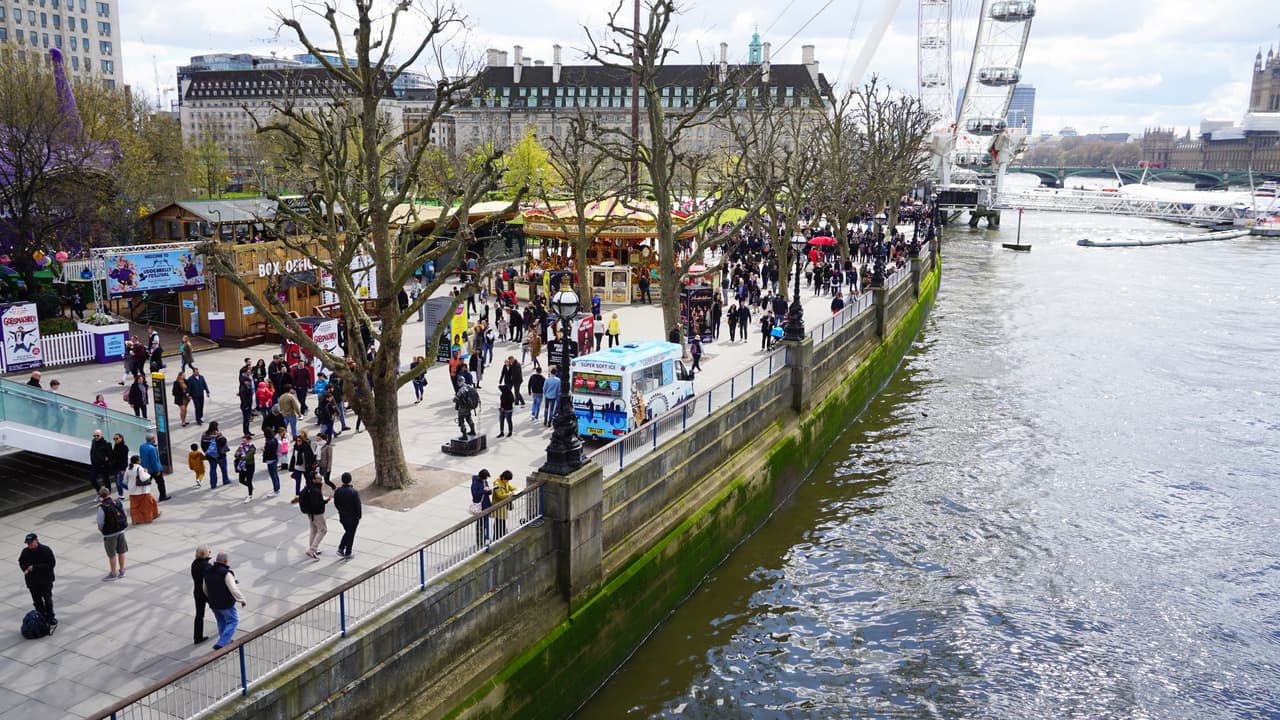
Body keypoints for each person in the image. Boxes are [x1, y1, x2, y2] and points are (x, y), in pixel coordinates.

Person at [204, 551, 247, 650]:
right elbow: (233, 589)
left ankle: (225, 640)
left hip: (213, 603)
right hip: (225, 603)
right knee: (233, 620)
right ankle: (222, 643)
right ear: (225, 561)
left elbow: (205, 587)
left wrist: (209, 598)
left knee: (221, 621)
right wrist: (241, 599)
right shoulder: (226, 574)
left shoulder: (208, 571)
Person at [19, 533, 56, 632]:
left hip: (45, 580)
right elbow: (21, 561)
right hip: (32, 582)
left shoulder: (45, 550)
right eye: (28, 543)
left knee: (47, 600)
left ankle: (50, 617)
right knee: (37, 601)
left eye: (31, 542)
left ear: (37, 540)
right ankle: (41, 618)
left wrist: (35, 567)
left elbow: (51, 563)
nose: (29, 545)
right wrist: (25, 569)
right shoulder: (25, 552)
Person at [96, 487, 128, 580]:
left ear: (100, 496)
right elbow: (124, 514)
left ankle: (113, 574)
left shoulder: (101, 507)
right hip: (121, 531)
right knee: (121, 551)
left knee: (112, 554)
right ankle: (122, 571)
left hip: (109, 534)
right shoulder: (118, 502)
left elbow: (100, 523)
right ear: (109, 493)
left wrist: (101, 530)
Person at [299, 474, 329, 559]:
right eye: (319, 478)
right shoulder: (314, 491)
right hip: (317, 514)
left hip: (310, 513)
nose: (321, 480)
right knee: (323, 530)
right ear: (313, 480)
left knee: (314, 530)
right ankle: (312, 549)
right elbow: (317, 503)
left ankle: (312, 549)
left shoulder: (309, 487)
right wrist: (324, 502)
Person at [333, 472, 361, 558]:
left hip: (343, 515)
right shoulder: (353, 492)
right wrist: (359, 516)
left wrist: (340, 510)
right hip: (352, 517)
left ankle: (342, 548)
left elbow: (336, 503)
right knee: (350, 533)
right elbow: (357, 505)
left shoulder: (338, 491)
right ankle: (346, 551)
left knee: (348, 532)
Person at [124, 454, 160, 523]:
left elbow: (125, 480)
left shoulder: (128, 468)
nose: (140, 460)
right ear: (137, 461)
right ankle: (149, 517)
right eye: (139, 459)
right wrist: (146, 473)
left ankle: (136, 520)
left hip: (132, 491)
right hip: (142, 491)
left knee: (135, 507)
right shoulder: (139, 468)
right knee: (148, 504)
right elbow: (143, 479)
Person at [191, 546, 212, 644]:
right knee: (218, 610)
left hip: (197, 592)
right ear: (205, 554)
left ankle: (197, 637)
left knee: (199, 615)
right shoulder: (206, 565)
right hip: (206, 593)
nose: (210, 552)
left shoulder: (194, 564)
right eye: (209, 552)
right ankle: (225, 629)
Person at [140, 432, 169, 502]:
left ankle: (144, 498)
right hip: (154, 470)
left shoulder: (142, 446)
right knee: (160, 483)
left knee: (146, 485)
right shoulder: (152, 448)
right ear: (152, 439)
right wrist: (158, 470)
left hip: (146, 469)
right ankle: (162, 496)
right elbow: (154, 460)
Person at [289, 431, 317, 499]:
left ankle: (310, 493)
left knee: (308, 481)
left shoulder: (306, 448)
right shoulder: (295, 448)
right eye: (297, 441)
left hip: (305, 468)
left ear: (302, 441)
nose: (298, 442)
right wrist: (291, 467)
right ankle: (297, 495)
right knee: (297, 482)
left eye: (299, 441)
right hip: (297, 468)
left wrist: (312, 466)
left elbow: (311, 457)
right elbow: (293, 457)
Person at [491, 470, 517, 540]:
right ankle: (497, 537)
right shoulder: (497, 484)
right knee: (498, 521)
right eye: (507, 480)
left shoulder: (506, 482)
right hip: (498, 506)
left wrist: (515, 490)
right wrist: (510, 494)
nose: (507, 481)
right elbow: (500, 496)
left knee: (502, 521)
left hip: (503, 506)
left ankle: (501, 535)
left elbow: (511, 487)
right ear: (503, 478)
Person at [202, 422, 228, 489]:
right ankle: (225, 480)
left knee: (213, 470)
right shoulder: (218, 435)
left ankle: (213, 484)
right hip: (220, 455)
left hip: (211, 456)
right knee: (224, 469)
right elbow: (223, 442)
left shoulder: (204, 435)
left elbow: (202, 445)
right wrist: (220, 435)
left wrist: (207, 452)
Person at [470, 469, 492, 547]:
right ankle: (480, 541)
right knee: (480, 525)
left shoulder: (485, 481)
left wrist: (489, 490)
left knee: (486, 523)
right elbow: (475, 495)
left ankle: (486, 538)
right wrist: (483, 490)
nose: (486, 480)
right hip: (480, 506)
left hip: (486, 505)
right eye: (485, 478)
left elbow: (488, 492)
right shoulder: (475, 483)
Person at [89, 429, 113, 497]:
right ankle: (100, 492)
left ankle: (108, 495)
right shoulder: (93, 441)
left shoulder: (107, 444)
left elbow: (110, 455)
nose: (96, 437)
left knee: (106, 481)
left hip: (103, 465)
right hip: (95, 464)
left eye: (97, 435)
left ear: (101, 435)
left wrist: (106, 459)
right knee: (92, 479)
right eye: (94, 435)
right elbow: (92, 451)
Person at [262, 427, 284, 498]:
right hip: (275, 458)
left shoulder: (269, 442)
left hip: (270, 459)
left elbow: (268, 452)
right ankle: (277, 488)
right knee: (275, 474)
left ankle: (276, 490)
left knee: (273, 475)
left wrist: (264, 450)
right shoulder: (274, 439)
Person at [234, 435, 256, 503]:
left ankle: (250, 495)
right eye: (242, 440)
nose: (243, 442)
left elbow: (247, 457)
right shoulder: (241, 446)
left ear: (248, 440)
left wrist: (240, 456)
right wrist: (240, 455)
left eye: (244, 441)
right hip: (242, 466)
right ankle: (251, 487)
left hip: (249, 466)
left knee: (249, 480)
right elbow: (236, 454)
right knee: (241, 480)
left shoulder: (252, 448)